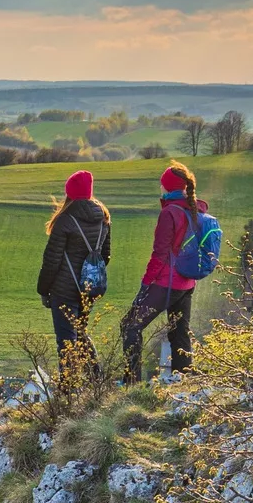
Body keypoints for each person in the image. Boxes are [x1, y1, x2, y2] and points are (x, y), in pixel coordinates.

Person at [119, 161, 205, 383]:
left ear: (167, 188)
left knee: (130, 325)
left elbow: (160, 254)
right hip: (187, 283)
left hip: (167, 281)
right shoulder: (195, 209)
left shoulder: (170, 213)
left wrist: (146, 284)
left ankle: (132, 383)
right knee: (179, 331)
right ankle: (183, 380)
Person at [35, 169, 111, 384]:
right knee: (80, 333)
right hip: (89, 288)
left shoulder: (65, 220)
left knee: (67, 341)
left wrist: (43, 290)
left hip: (64, 289)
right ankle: (96, 382)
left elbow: (52, 260)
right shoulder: (104, 218)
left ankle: (68, 392)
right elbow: (105, 256)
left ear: (69, 193)